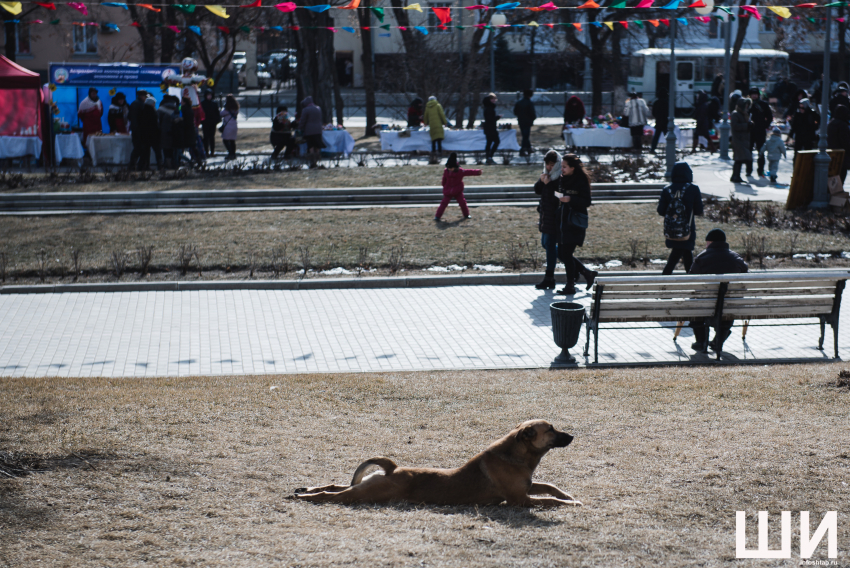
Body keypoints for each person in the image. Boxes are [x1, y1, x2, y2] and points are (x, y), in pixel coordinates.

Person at [688, 229, 748, 353]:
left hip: (704, 304)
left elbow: (691, 280)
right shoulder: (736, 258)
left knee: (694, 304)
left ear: (710, 242)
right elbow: (746, 276)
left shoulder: (702, 258)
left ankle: (701, 340)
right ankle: (718, 341)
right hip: (730, 305)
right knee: (728, 304)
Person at [556, 154, 597, 296]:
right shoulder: (561, 179)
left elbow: (586, 201)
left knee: (566, 254)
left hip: (574, 222)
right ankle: (586, 273)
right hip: (562, 221)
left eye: (564, 167)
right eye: (561, 166)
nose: (561, 169)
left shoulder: (581, 180)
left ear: (573, 168)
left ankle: (570, 285)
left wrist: (570, 199)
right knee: (561, 253)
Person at [657, 162, 704, 275]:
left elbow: (660, 211)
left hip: (671, 229)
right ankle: (665, 278)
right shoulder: (693, 189)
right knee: (679, 254)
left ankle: (691, 278)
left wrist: (674, 216)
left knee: (685, 253)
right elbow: (699, 211)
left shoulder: (667, 189)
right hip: (687, 229)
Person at [533, 150, 562, 290]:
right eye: (547, 164)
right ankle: (577, 266)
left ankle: (549, 278)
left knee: (549, 246)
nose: (549, 167)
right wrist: (542, 180)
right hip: (545, 216)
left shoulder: (560, 178)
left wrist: (549, 184)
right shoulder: (547, 175)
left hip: (554, 217)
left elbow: (558, 196)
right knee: (546, 244)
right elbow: (537, 190)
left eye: (552, 164)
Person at [435, 152, 480, 221]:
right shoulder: (446, 171)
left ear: (455, 167)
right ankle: (437, 216)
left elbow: (469, 172)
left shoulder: (460, 171)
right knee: (443, 203)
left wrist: (477, 172)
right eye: (448, 168)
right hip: (448, 191)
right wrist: (445, 186)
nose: (449, 169)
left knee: (462, 203)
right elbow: (444, 180)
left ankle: (466, 215)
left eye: (451, 168)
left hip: (458, 191)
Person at [748, 87, 773, 177]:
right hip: (750, 131)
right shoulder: (747, 104)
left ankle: (761, 170)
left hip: (760, 131)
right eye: (752, 94)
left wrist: (765, 125)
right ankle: (748, 170)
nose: (754, 96)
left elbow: (769, 116)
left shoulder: (763, 104)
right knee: (748, 151)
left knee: (761, 151)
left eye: (756, 94)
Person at [788, 98, 820, 163]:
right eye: (800, 108)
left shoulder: (811, 113)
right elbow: (794, 125)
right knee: (797, 153)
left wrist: (814, 127)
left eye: (802, 108)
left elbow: (818, 120)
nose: (801, 109)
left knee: (808, 154)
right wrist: (790, 135)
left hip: (808, 136)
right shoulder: (798, 114)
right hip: (799, 136)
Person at [730, 97, 752, 183]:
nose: (747, 107)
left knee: (739, 159)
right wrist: (747, 126)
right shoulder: (735, 114)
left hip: (743, 140)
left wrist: (750, 125)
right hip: (738, 140)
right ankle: (736, 176)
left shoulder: (744, 113)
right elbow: (735, 126)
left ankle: (735, 176)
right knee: (740, 158)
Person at [299, 95, 324, 166]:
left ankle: (312, 161)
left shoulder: (305, 110)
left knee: (311, 145)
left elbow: (303, 121)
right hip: (318, 130)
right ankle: (318, 159)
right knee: (317, 145)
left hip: (309, 131)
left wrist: (299, 127)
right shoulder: (318, 108)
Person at [827, 105, 850, 183]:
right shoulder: (843, 125)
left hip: (832, 153)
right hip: (842, 154)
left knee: (833, 175)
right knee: (841, 175)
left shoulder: (831, 123)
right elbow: (845, 141)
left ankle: (833, 192)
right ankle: (837, 193)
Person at [136, 97, 160, 171]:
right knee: (157, 151)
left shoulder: (142, 111)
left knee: (146, 152)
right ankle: (160, 165)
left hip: (144, 135)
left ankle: (144, 166)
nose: (154, 105)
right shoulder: (152, 112)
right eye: (153, 103)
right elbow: (155, 124)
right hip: (152, 135)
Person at [127, 90, 148, 169]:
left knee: (137, 147)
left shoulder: (133, 104)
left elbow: (129, 117)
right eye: (145, 96)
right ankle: (137, 165)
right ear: (142, 96)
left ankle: (133, 164)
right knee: (140, 148)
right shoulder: (141, 105)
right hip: (140, 130)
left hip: (135, 129)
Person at [157, 95, 179, 169]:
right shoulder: (175, 108)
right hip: (174, 132)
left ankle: (167, 164)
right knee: (172, 149)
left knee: (165, 150)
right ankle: (174, 164)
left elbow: (158, 121)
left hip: (163, 133)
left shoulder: (161, 109)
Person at [513, 89, 537, 156]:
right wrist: (533, 118)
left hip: (521, 121)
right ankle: (523, 150)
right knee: (525, 136)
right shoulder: (529, 102)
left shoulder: (519, 102)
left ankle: (529, 148)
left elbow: (515, 112)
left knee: (524, 135)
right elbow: (532, 113)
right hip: (528, 121)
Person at [200, 90, 221, 157]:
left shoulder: (214, 103)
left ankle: (212, 152)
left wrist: (216, 121)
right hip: (205, 123)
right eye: (208, 95)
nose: (209, 96)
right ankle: (206, 152)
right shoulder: (203, 103)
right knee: (206, 138)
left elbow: (217, 113)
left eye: (210, 95)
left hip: (212, 123)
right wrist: (202, 121)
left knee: (212, 138)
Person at [482, 93, 501, 165]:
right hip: (491, 128)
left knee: (489, 142)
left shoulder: (488, 107)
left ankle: (488, 157)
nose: (494, 100)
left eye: (494, 99)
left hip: (488, 127)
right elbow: (490, 119)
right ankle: (490, 156)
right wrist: (497, 117)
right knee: (496, 141)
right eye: (492, 99)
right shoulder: (489, 108)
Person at [221, 94, 239, 161]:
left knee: (225, 140)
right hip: (234, 126)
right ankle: (233, 154)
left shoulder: (226, 109)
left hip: (227, 126)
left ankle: (230, 153)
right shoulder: (235, 109)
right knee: (232, 141)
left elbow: (221, 114)